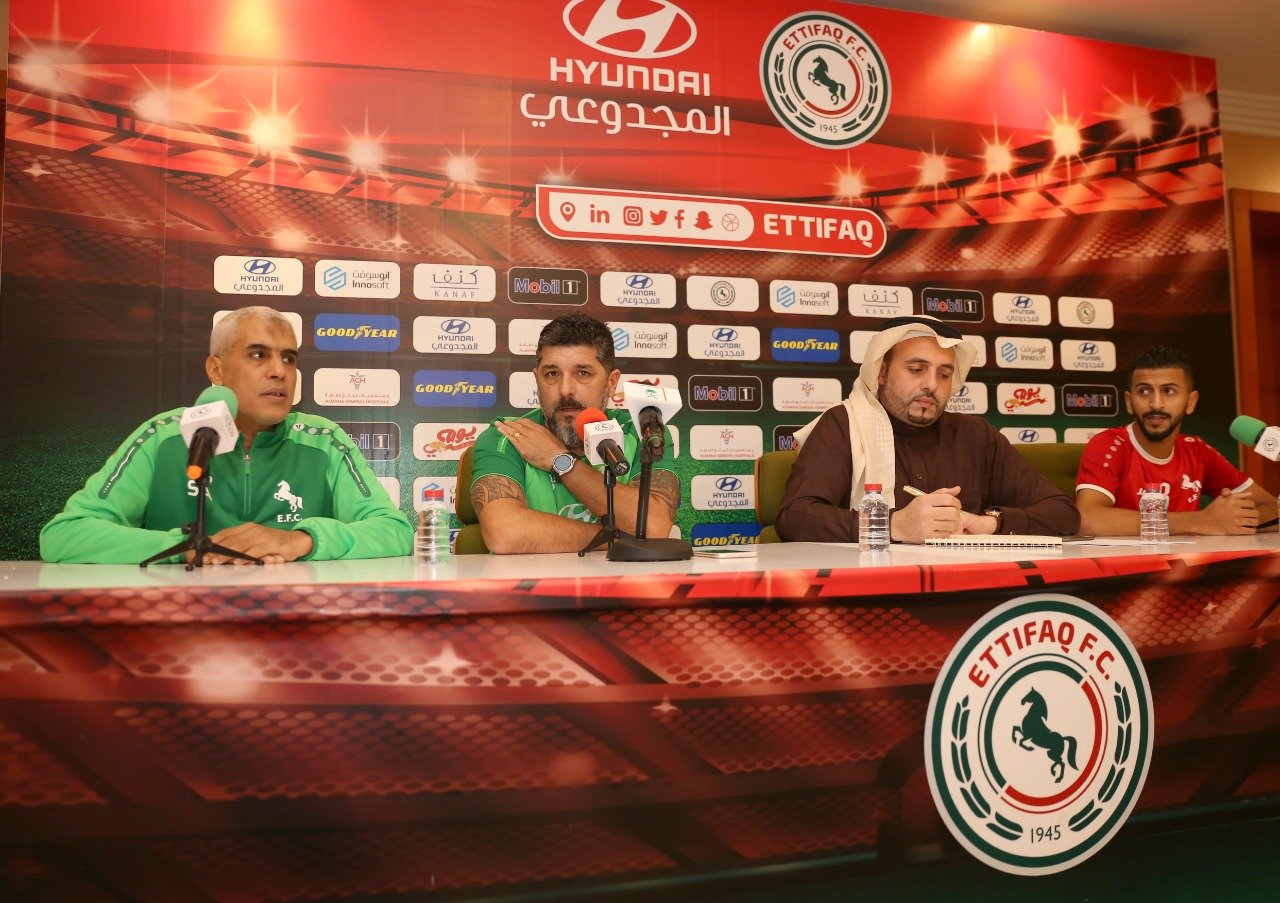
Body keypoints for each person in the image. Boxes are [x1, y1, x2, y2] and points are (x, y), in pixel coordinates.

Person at [40, 306, 414, 564]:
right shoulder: (163, 436)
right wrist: (186, 548)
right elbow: (64, 535)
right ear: (216, 370)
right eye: (258, 355)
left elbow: (394, 530)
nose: (279, 371)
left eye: (288, 358)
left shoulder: (322, 439)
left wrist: (300, 540)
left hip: (293, 627)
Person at [777, 315, 1079, 543]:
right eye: (916, 369)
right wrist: (892, 525)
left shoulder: (976, 435)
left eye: (944, 374)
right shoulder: (844, 424)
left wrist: (989, 523)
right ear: (881, 372)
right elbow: (795, 517)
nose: (931, 384)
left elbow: (1063, 513)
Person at [470, 314, 679, 553]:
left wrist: (561, 461)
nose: (565, 390)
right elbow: (505, 535)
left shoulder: (645, 432)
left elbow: (653, 526)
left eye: (583, 373)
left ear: (611, 383)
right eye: (552, 374)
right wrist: (617, 537)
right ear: (537, 380)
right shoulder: (509, 435)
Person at [1075, 345, 1278, 535]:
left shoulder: (1197, 451)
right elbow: (1087, 519)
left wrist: (1234, 519)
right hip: (1128, 562)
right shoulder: (1109, 444)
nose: (1156, 404)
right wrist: (1200, 521)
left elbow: (1272, 508)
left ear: (1191, 402)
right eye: (1144, 391)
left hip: (1191, 560)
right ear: (1129, 401)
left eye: (1169, 391)